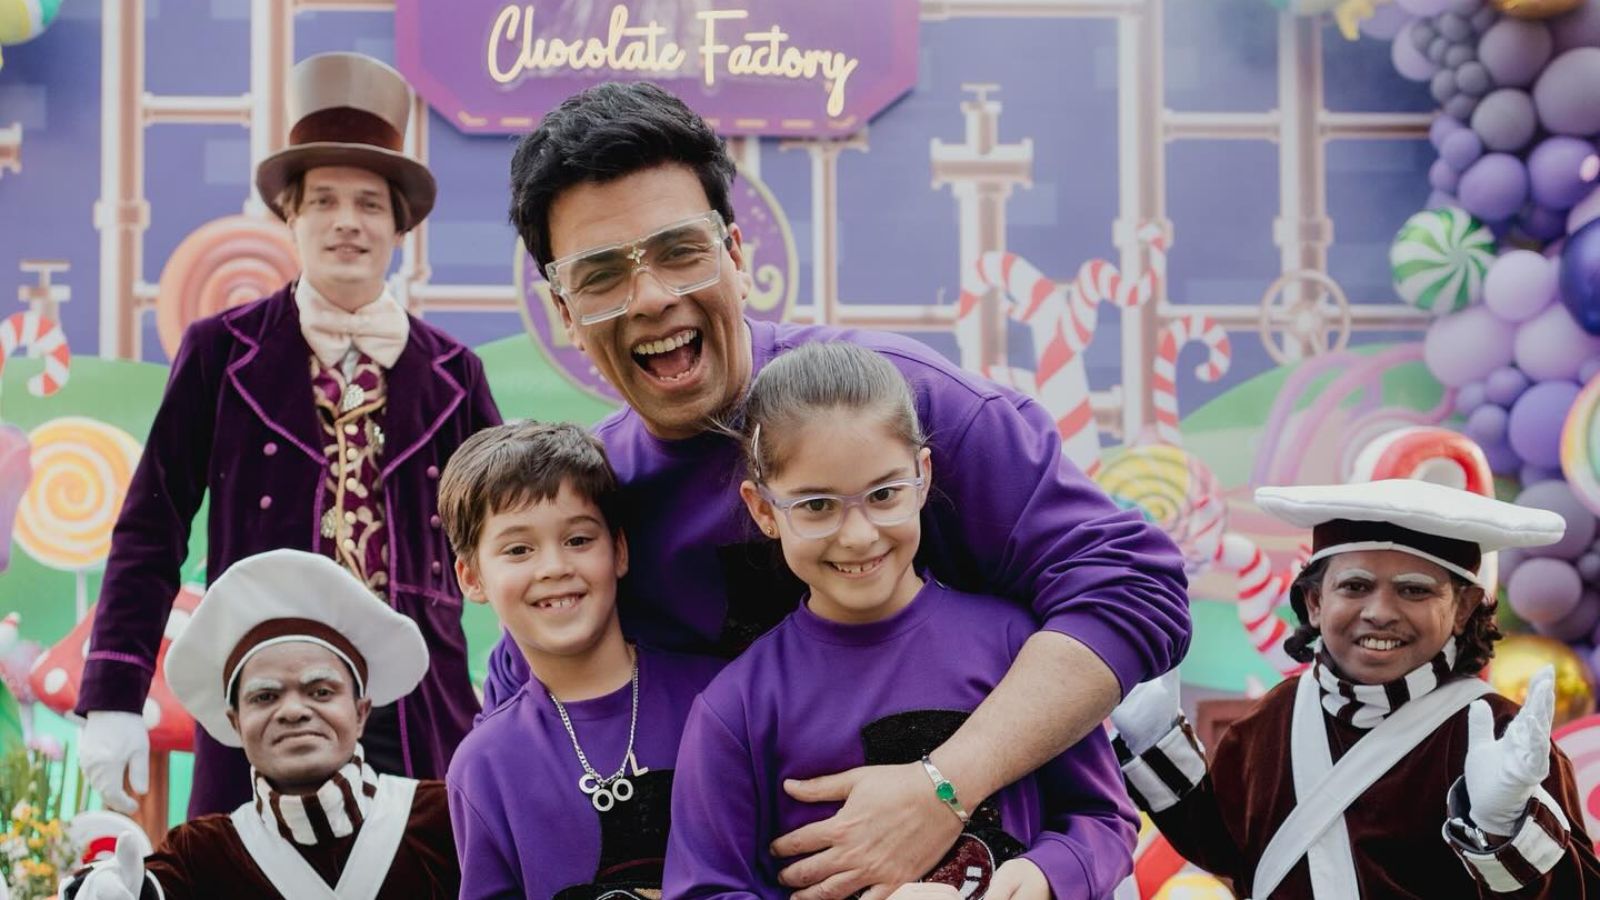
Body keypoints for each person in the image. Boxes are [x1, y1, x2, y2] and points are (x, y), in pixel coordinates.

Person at [488, 79, 1190, 896]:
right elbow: (525, 705)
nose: (652, 297)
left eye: (680, 251)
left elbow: (1133, 588)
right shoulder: (593, 502)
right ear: (563, 311)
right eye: (601, 274)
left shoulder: (910, 409)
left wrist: (944, 785)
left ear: (737, 254)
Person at [75, 52, 501, 818]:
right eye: (325, 201)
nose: (347, 222)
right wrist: (113, 692)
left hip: (417, 708)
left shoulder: (454, 372)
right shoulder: (221, 351)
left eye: (370, 203)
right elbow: (152, 525)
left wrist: (544, 701)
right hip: (264, 701)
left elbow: (510, 540)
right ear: (291, 216)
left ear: (399, 226)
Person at [663, 343, 1138, 899]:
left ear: (923, 475)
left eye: (884, 494)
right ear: (764, 510)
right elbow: (706, 890)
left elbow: (1104, 819)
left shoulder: (1015, 645)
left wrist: (1042, 877)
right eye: (817, 505)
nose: (860, 534)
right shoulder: (737, 710)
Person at [1110, 479, 1600, 898]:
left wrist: (1506, 833)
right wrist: (1156, 739)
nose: (1380, 611)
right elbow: (1228, 848)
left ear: (1464, 608)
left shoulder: (1499, 735)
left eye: (1414, 589)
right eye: (1355, 586)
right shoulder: (1275, 716)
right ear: (1314, 601)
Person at [69, 549, 459, 899]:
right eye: (265, 697)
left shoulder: (446, 819)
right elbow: (143, 886)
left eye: (321, 692)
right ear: (235, 723)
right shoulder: (203, 852)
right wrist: (107, 888)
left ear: (361, 713)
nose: (293, 711)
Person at [439, 421, 723, 899]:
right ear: (472, 579)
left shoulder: (718, 701)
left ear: (619, 551)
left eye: (578, 540)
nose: (554, 567)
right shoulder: (483, 765)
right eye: (518, 549)